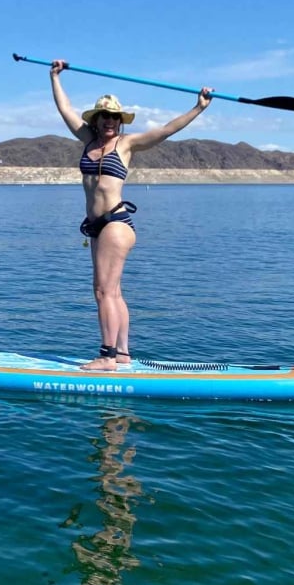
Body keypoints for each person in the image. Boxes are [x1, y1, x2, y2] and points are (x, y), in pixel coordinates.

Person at [48, 59, 212, 370]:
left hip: (116, 223)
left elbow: (166, 130)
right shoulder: (88, 141)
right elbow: (65, 109)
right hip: (95, 227)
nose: (110, 121)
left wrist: (198, 108)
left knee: (103, 290)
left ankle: (107, 356)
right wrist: (54, 77)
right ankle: (122, 354)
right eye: (105, 116)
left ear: (121, 121)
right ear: (96, 120)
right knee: (113, 292)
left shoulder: (127, 144)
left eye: (115, 117)